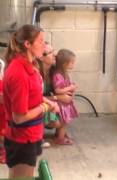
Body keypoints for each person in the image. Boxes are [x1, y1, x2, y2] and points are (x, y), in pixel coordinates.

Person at [3, 24, 59, 178]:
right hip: (21, 138)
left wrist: (50, 103)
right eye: (40, 41)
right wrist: (44, 107)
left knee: (26, 176)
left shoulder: (31, 65)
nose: (45, 45)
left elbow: (33, 94)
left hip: (32, 134)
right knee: (21, 177)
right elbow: (19, 118)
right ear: (27, 44)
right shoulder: (19, 73)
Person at [38, 43, 74, 146]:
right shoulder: (36, 72)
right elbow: (34, 98)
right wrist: (58, 97)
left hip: (50, 102)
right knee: (57, 120)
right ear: (41, 57)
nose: (55, 55)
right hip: (38, 103)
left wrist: (69, 94)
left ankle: (59, 135)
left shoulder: (55, 71)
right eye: (50, 53)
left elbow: (64, 88)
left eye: (54, 51)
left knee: (67, 112)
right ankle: (37, 138)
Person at [52, 49, 79, 145]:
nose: (73, 65)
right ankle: (60, 139)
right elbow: (58, 90)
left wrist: (72, 86)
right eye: (72, 63)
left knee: (65, 121)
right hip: (61, 103)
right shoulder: (58, 75)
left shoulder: (64, 73)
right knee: (64, 122)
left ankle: (60, 135)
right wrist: (70, 88)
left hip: (66, 102)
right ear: (65, 64)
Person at [0, 59, 6, 164]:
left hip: (3, 112)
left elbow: (2, 98)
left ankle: (6, 152)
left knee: (3, 134)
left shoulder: (2, 83)